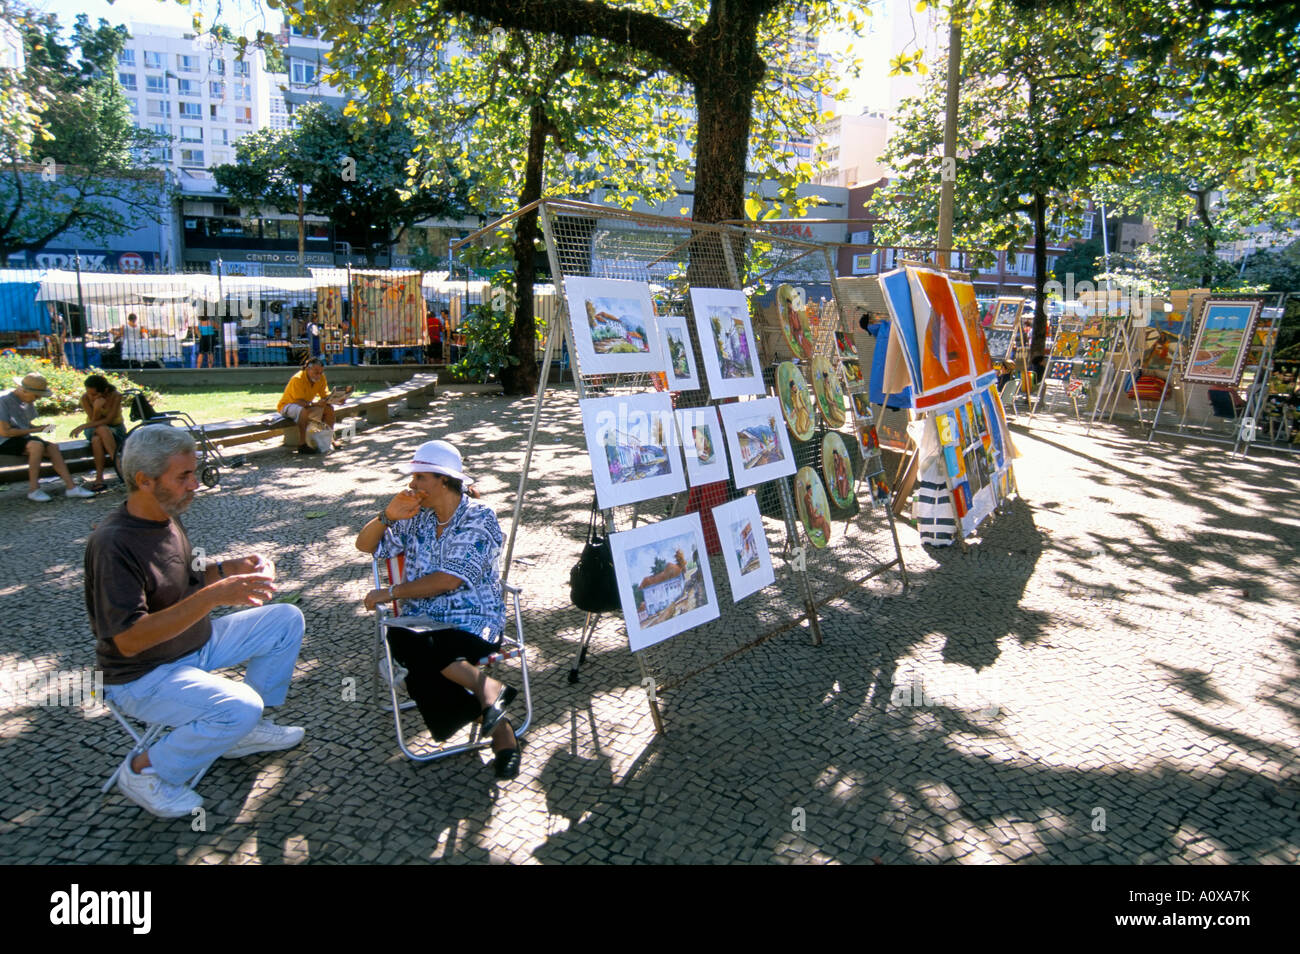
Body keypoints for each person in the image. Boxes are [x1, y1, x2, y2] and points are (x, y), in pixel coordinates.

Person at [85, 425, 306, 818]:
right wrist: (216, 596)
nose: (195, 484)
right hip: (141, 675)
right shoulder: (112, 543)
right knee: (240, 705)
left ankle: (242, 733)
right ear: (144, 481)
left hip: (193, 644)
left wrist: (226, 568)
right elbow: (129, 641)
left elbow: (183, 575)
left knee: (285, 619)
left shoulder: (165, 515)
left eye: (194, 472)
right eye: (184, 476)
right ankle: (143, 771)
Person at [355, 439, 521, 780]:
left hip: (474, 623)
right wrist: (387, 515)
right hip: (422, 624)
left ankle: (494, 715)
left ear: (444, 480)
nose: (412, 485)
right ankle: (496, 713)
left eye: (420, 478)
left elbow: (448, 581)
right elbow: (364, 545)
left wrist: (391, 592)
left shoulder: (479, 517)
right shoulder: (417, 518)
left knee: (417, 657)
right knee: (402, 635)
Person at [0, 372, 96, 502]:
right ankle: (34, 489)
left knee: (52, 447)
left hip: (20, 438)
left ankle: (71, 487)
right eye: (36, 396)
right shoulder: (3, 401)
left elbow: (25, 425)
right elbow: (5, 432)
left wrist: (42, 427)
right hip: (3, 440)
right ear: (24, 391)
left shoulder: (27, 401)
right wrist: (37, 429)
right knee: (36, 446)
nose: (37, 399)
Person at [70, 374, 125, 492]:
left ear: (105, 391)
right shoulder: (85, 398)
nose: (90, 397)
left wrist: (82, 426)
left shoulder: (115, 396)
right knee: (101, 429)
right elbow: (94, 420)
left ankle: (99, 478)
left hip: (116, 430)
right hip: (93, 428)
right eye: (88, 393)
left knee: (97, 438)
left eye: (94, 394)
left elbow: (109, 420)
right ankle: (119, 465)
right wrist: (96, 409)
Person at [277, 356, 338, 455]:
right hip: (288, 406)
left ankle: (329, 440)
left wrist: (337, 399)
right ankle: (302, 444)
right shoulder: (298, 379)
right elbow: (298, 401)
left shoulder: (321, 378)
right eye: (316, 372)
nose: (319, 375)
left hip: (305, 405)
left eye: (321, 372)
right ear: (308, 369)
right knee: (303, 410)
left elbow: (325, 395)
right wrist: (315, 404)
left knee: (329, 409)